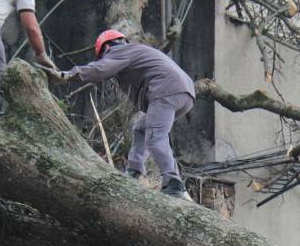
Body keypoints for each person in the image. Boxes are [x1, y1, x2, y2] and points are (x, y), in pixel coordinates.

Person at [51, 31, 196, 199]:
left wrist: (68, 75)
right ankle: (134, 171)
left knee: (155, 136)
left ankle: (173, 182)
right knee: (140, 127)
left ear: (106, 48)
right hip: (184, 94)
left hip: (165, 91)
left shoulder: (118, 51)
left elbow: (100, 69)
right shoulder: (136, 51)